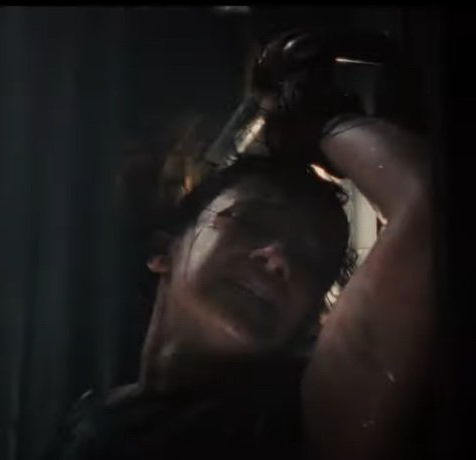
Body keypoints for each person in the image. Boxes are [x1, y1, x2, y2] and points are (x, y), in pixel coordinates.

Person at [45, 31, 434, 460]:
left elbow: (428, 208)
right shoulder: (94, 416)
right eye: (253, 222)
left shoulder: (308, 416)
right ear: (163, 252)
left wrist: (324, 120)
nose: (278, 259)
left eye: (310, 262)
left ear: (309, 320)